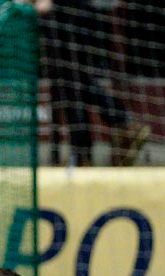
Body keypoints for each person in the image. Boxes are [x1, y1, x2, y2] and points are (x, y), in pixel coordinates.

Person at [38, 0, 150, 166]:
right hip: (74, 18)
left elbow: (44, 6)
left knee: (72, 84)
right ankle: (120, 125)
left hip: (68, 19)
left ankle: (82, 154)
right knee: (74, 84)